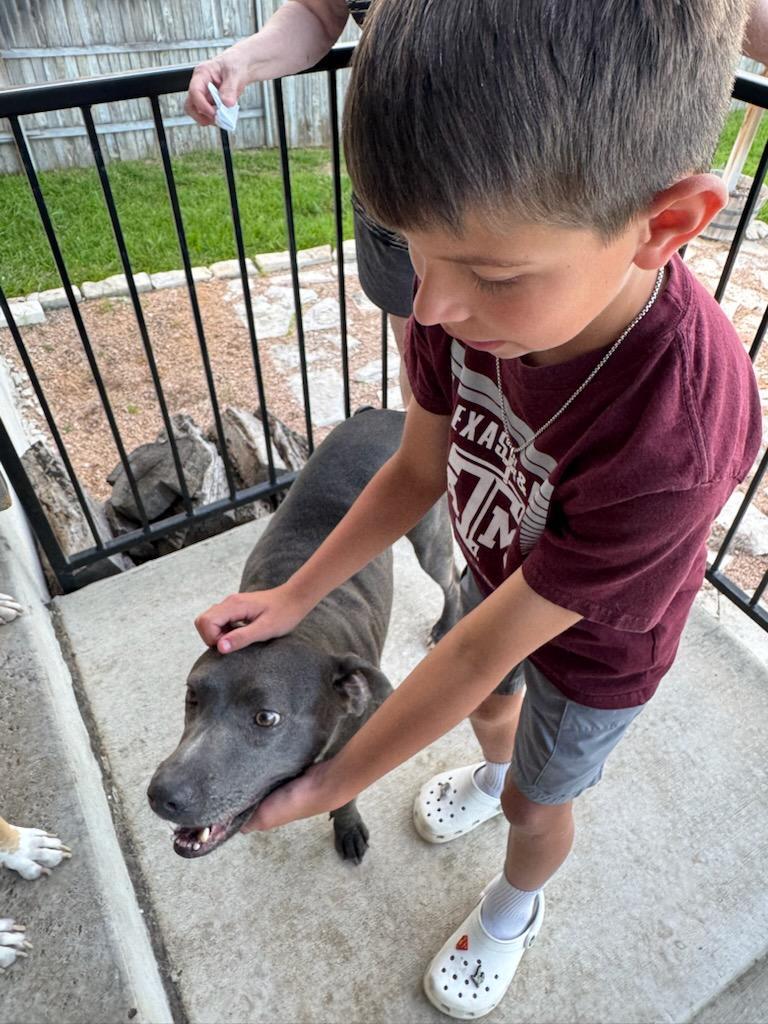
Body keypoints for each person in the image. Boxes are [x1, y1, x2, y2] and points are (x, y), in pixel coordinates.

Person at [194, 0, 763, 1017]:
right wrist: (293, 594)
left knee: (544, 799)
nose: (434, 305)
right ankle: (492, 776)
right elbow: (417, 470)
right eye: (409, 246)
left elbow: (459, 656)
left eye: (494, 274)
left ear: (666, 224)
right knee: (494, 712)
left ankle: (514, 905)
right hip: (497, 569)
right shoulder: (453, 304)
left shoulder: (675, 429)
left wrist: (329, 783)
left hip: (602, 651)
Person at [184, 0, 414, 405]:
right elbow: (318, 11)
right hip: (397, 197)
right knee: (424, 376)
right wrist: (240, 61)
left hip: (521, 195)